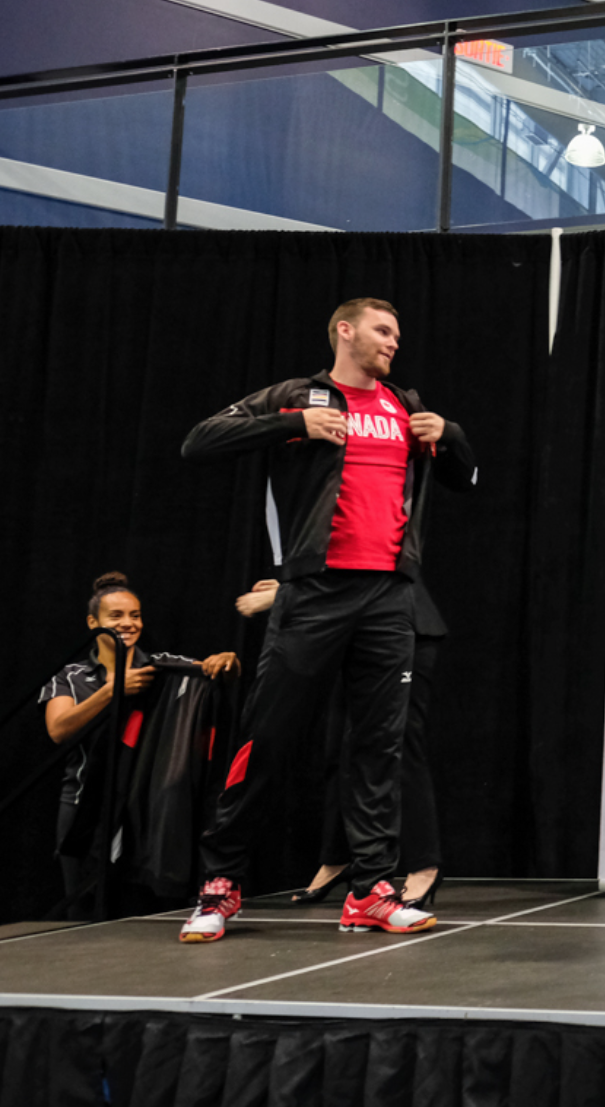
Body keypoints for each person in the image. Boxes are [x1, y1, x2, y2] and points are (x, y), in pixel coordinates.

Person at [177, 297, 475, 942]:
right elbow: (198, 442)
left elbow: (466, 479)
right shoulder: (299, 397)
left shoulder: (406, 407)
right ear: (345, 331)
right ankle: (220, 884)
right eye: (382, 330)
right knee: (268, 737)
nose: (394, 342)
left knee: (378, 747)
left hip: (390, 597)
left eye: (398, 333)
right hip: (315, 593)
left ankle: (371, 889)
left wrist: (448, 436)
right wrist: (291, 424)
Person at [236, 577, 447, 910]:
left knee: (395, 746)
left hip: (400, 626)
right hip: (347, 633)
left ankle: (424, 865)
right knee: (339, 749)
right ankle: (339, 858)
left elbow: (368, 568)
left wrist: (286, 594)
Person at [40, 571, 237, 915]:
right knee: (82, 911)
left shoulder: (162, 667)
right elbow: (58, 730)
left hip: (145, 811)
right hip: (83, 806)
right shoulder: (70, 677)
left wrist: (229, 663)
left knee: (140, 913)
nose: (128, 624)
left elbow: (214, 674)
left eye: (135, 615)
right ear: (93, 622)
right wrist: (112, 691)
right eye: (116, 616)